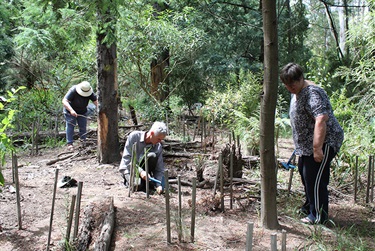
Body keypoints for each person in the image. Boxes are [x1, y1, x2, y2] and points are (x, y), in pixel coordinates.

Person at [280, 63, 344, 224]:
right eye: (287, 84)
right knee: (305, 172)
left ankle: (319, 216)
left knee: (315, 177)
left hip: (324, 141)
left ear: (301, 78)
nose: (290, 87)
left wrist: (317, 148)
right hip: (306, 145)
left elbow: (321, 118)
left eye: (292, 83)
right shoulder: (298, 91)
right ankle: (310, 207)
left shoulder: (312, 93)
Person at [119, 121, 168, 195]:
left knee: (152, 155)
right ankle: (133, 181)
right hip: (129, 169)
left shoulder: (158, 147)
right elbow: (127, 159)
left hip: (145, 172)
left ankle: (146, 182)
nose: (159, 141)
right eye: (158, 139)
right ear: (151, 134)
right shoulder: (134, 137)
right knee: (137, 185)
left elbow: (159, 168)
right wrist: (140, 171)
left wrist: (159, 185)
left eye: (161, 140)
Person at [62, 81, 98, 150]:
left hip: (82, 111)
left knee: (83, 127)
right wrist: (71, 110)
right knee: (70, 126)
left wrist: (100, 110)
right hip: (70, 111)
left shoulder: (90, 92)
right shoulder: (73, 90)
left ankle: (83, 142)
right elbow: (64, 101)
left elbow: (96, 101)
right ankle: (70, 144)